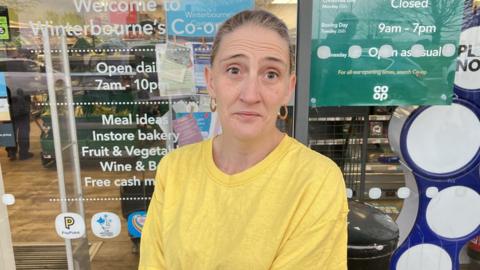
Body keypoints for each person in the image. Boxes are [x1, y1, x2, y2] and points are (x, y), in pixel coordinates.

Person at [139, 9, 348, 269]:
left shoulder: (316, 180)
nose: (250, 94)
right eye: (234, 70)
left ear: (288, 88)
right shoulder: (174, 169)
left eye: (270, 74)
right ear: (211, 81)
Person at [6, 87, 33, 160]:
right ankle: (23, 154)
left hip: (10, 116)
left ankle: (12, 153)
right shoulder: (25, 93)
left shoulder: (7, 89)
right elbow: (28, 104)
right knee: (23, 135)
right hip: (23, 116)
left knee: (11, 135)